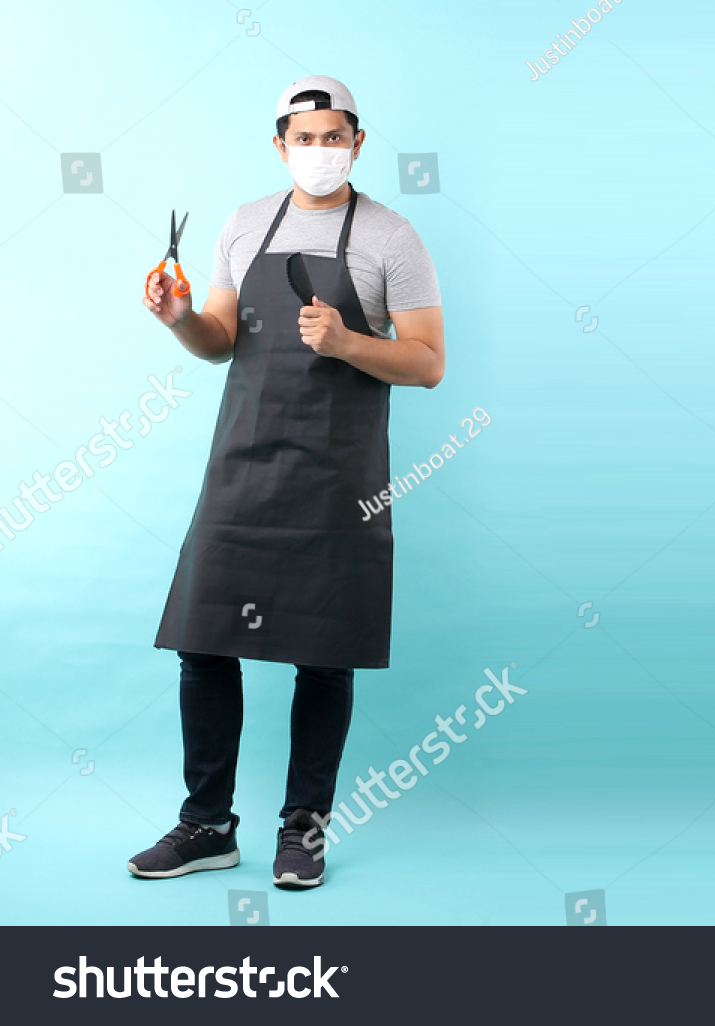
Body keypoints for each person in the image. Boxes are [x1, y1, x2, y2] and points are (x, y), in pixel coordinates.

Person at [132, 75, 444, 889]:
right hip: (242, 467)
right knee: (203, 641)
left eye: (333, 136)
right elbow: (220, 341)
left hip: (337, 478)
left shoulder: (392, 237)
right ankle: (207, 825)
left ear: (357, 142)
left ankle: (303, 830)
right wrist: (180, 318)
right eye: (304, 139)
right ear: (280, 146)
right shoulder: (244, 224)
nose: (319, 150)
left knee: (325, 654)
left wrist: (347, 343)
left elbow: (428, 363)